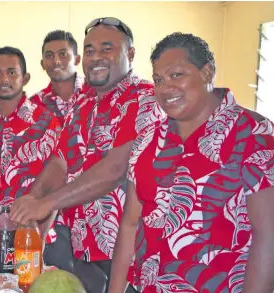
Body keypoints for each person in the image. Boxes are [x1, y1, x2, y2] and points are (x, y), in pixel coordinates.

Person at [109, 32, 274, 293]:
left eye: (176, 75)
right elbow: (130, 223)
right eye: (158, 80)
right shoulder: (148, 140)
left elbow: (270, 238)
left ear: (207, 72)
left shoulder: (255, 135)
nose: (164, 88)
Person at [10, 17, 161, 292]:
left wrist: (47, 203)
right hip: (84, 252)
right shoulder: (83, 103)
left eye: (107, 48)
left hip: (133, 257)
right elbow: (60, 162)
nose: (96, 57)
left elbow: (115, 169)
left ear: (130, 53)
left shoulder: (146, 99)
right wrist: (35, 204)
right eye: (90, 50)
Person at [0, 46, 63, 229]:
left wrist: (41, 238)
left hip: (31, 232)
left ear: (25, 78)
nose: (4, 79)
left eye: (12, 72)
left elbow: (56, 179)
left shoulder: (45, 122)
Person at [30, 30, 84, 124]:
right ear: (42, 64)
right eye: (49, 55)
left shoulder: (96, 93)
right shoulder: (33, 105)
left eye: (63, 54)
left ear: (77, 59)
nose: (56, 61)